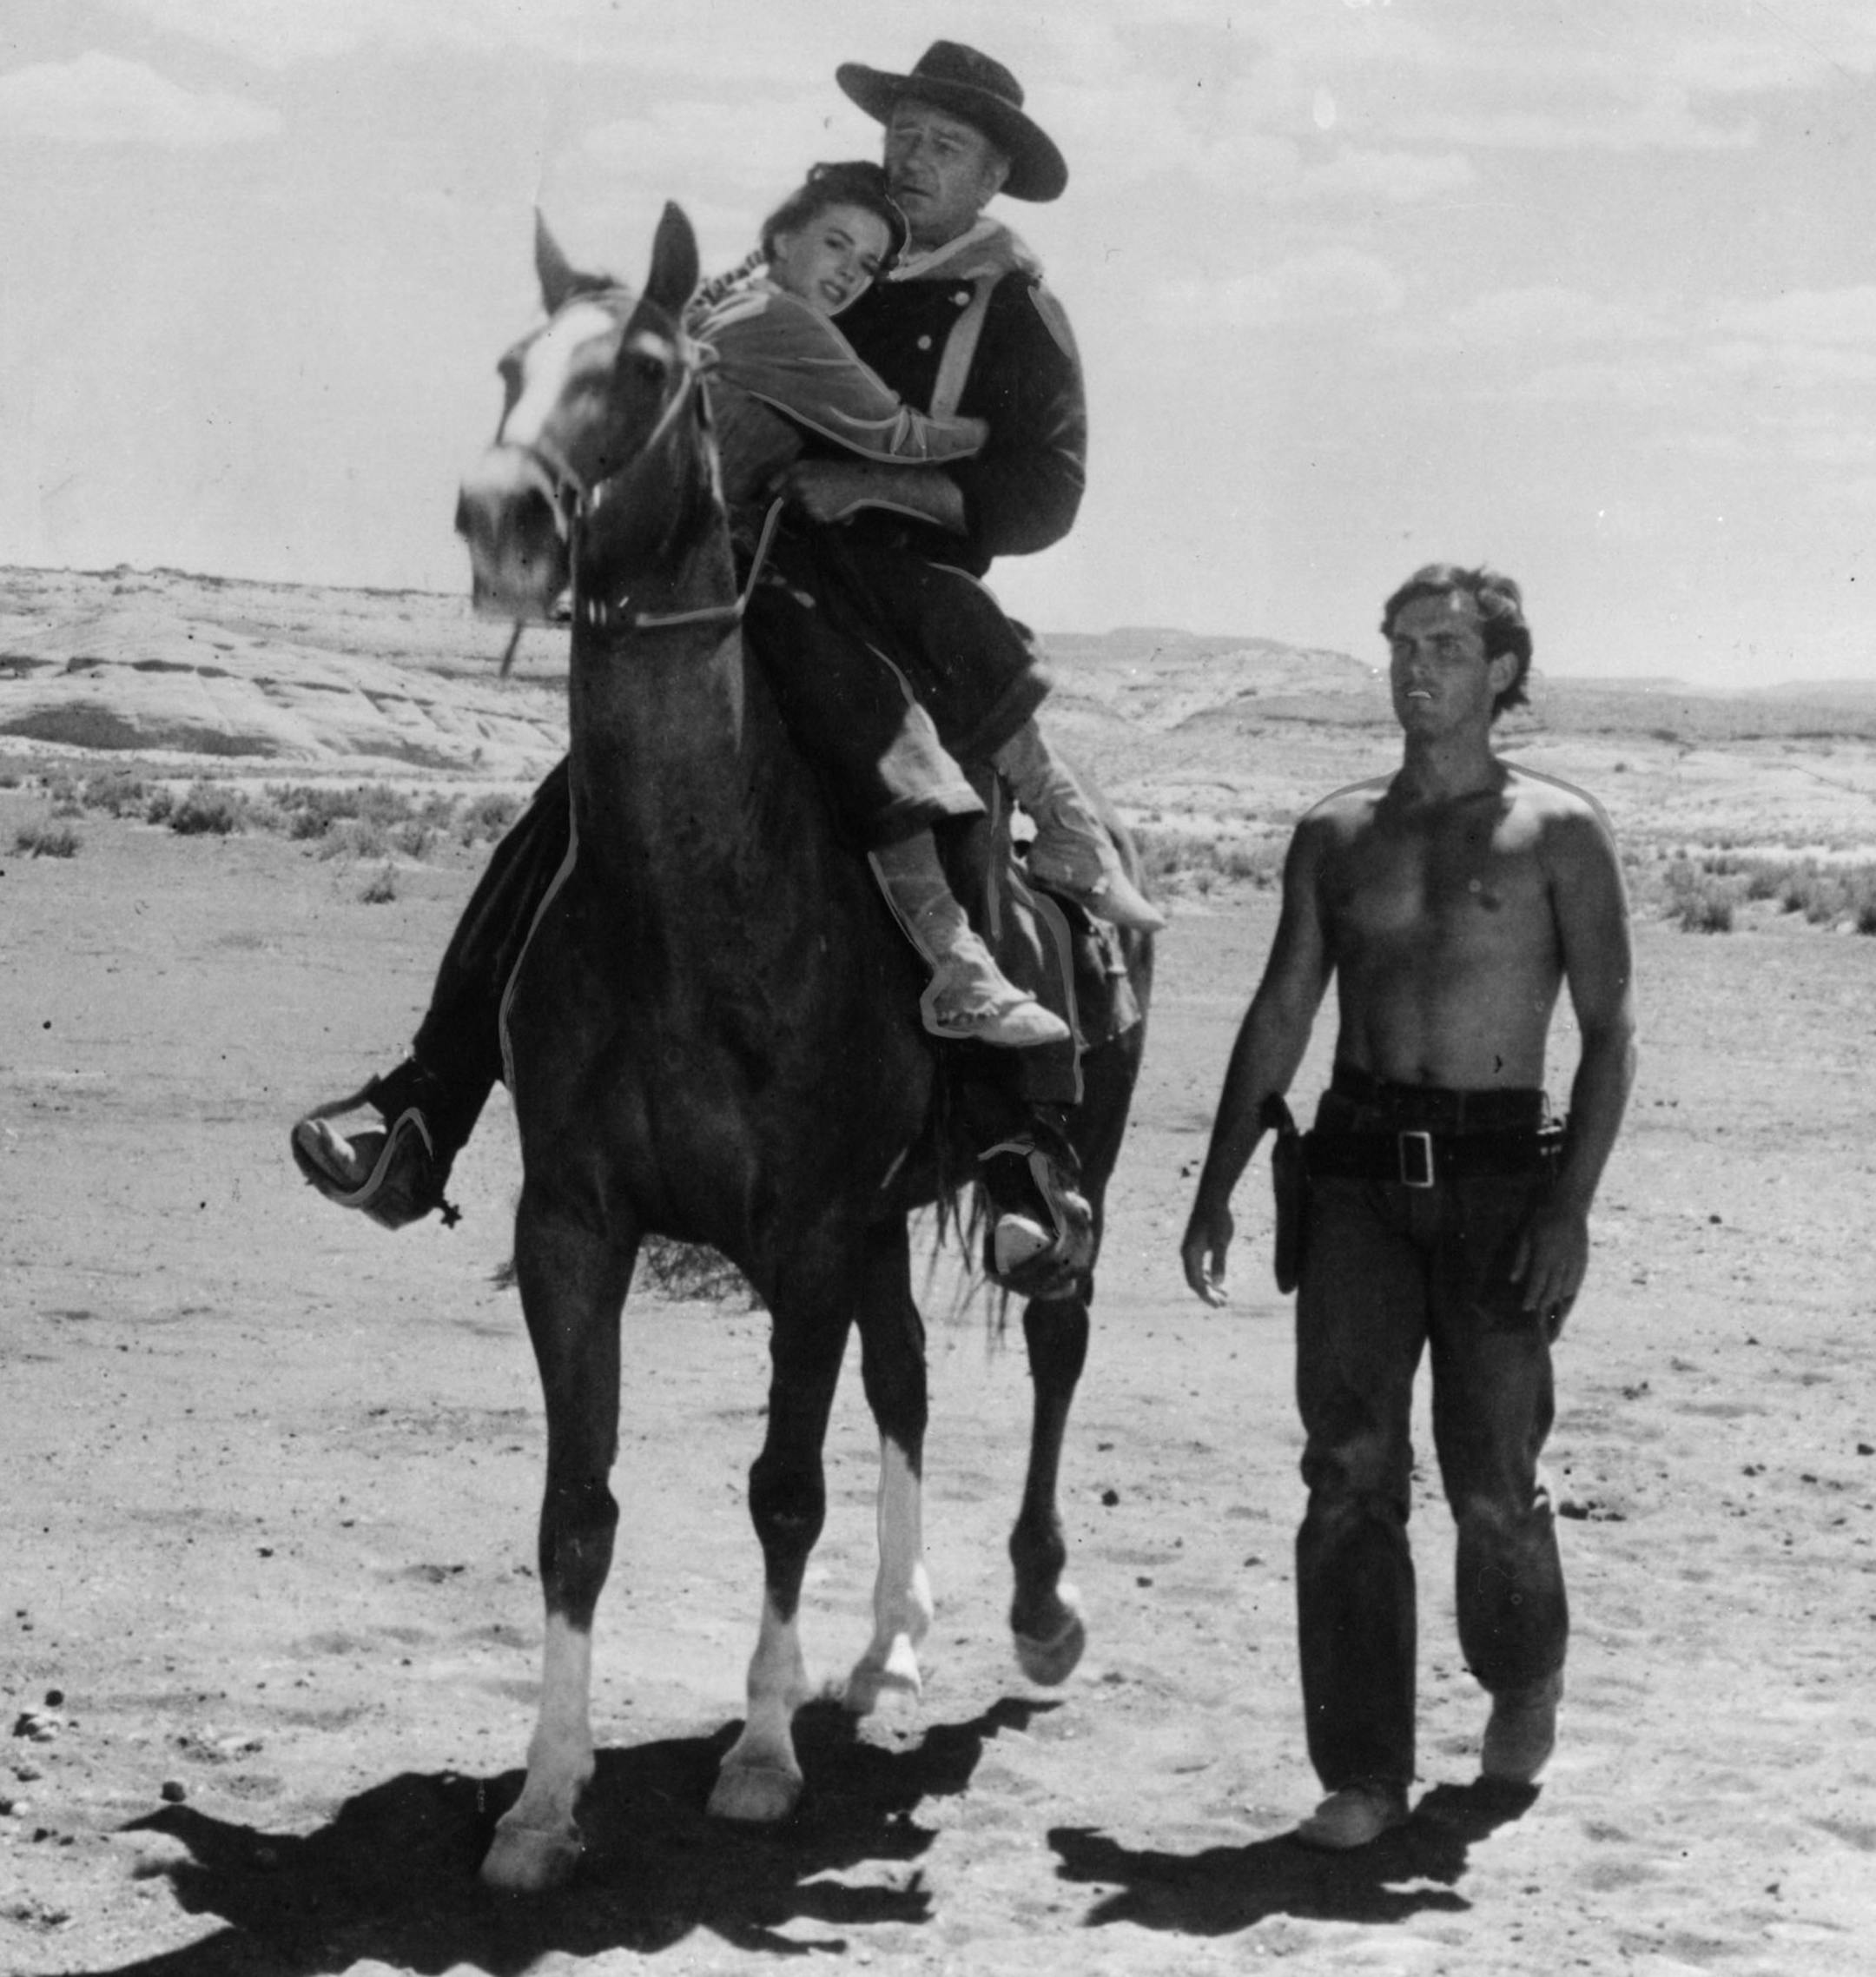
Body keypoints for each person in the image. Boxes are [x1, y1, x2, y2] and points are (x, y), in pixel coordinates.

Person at [294, 44, 1143, 1279]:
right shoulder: (805, 266)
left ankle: (1017, 1136)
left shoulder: (1010, 306)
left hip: (900, 599)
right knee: (572, 811)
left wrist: (892, 484)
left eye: (943, 147)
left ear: (995, 176)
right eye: (903, 133)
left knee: (944, 805)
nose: (912, 160)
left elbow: (1046, 491)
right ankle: (426, 1103)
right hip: (746, 586)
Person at [1179, 566, 1637, 1850]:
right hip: (1358, 1182)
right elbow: (1281, 1013)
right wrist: (1214, 1184)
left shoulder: (1559, 835)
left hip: (1502, 1187)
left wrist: (1572, 1208)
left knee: (1492, 1478)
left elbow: (1609, 1036)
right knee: (1348, 1474)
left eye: (1445, 644)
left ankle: (1524, 1674)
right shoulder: (1337, 835)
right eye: (1399, 644)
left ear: (1502, 670)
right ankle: (1365, 1771)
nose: (1415, 666)